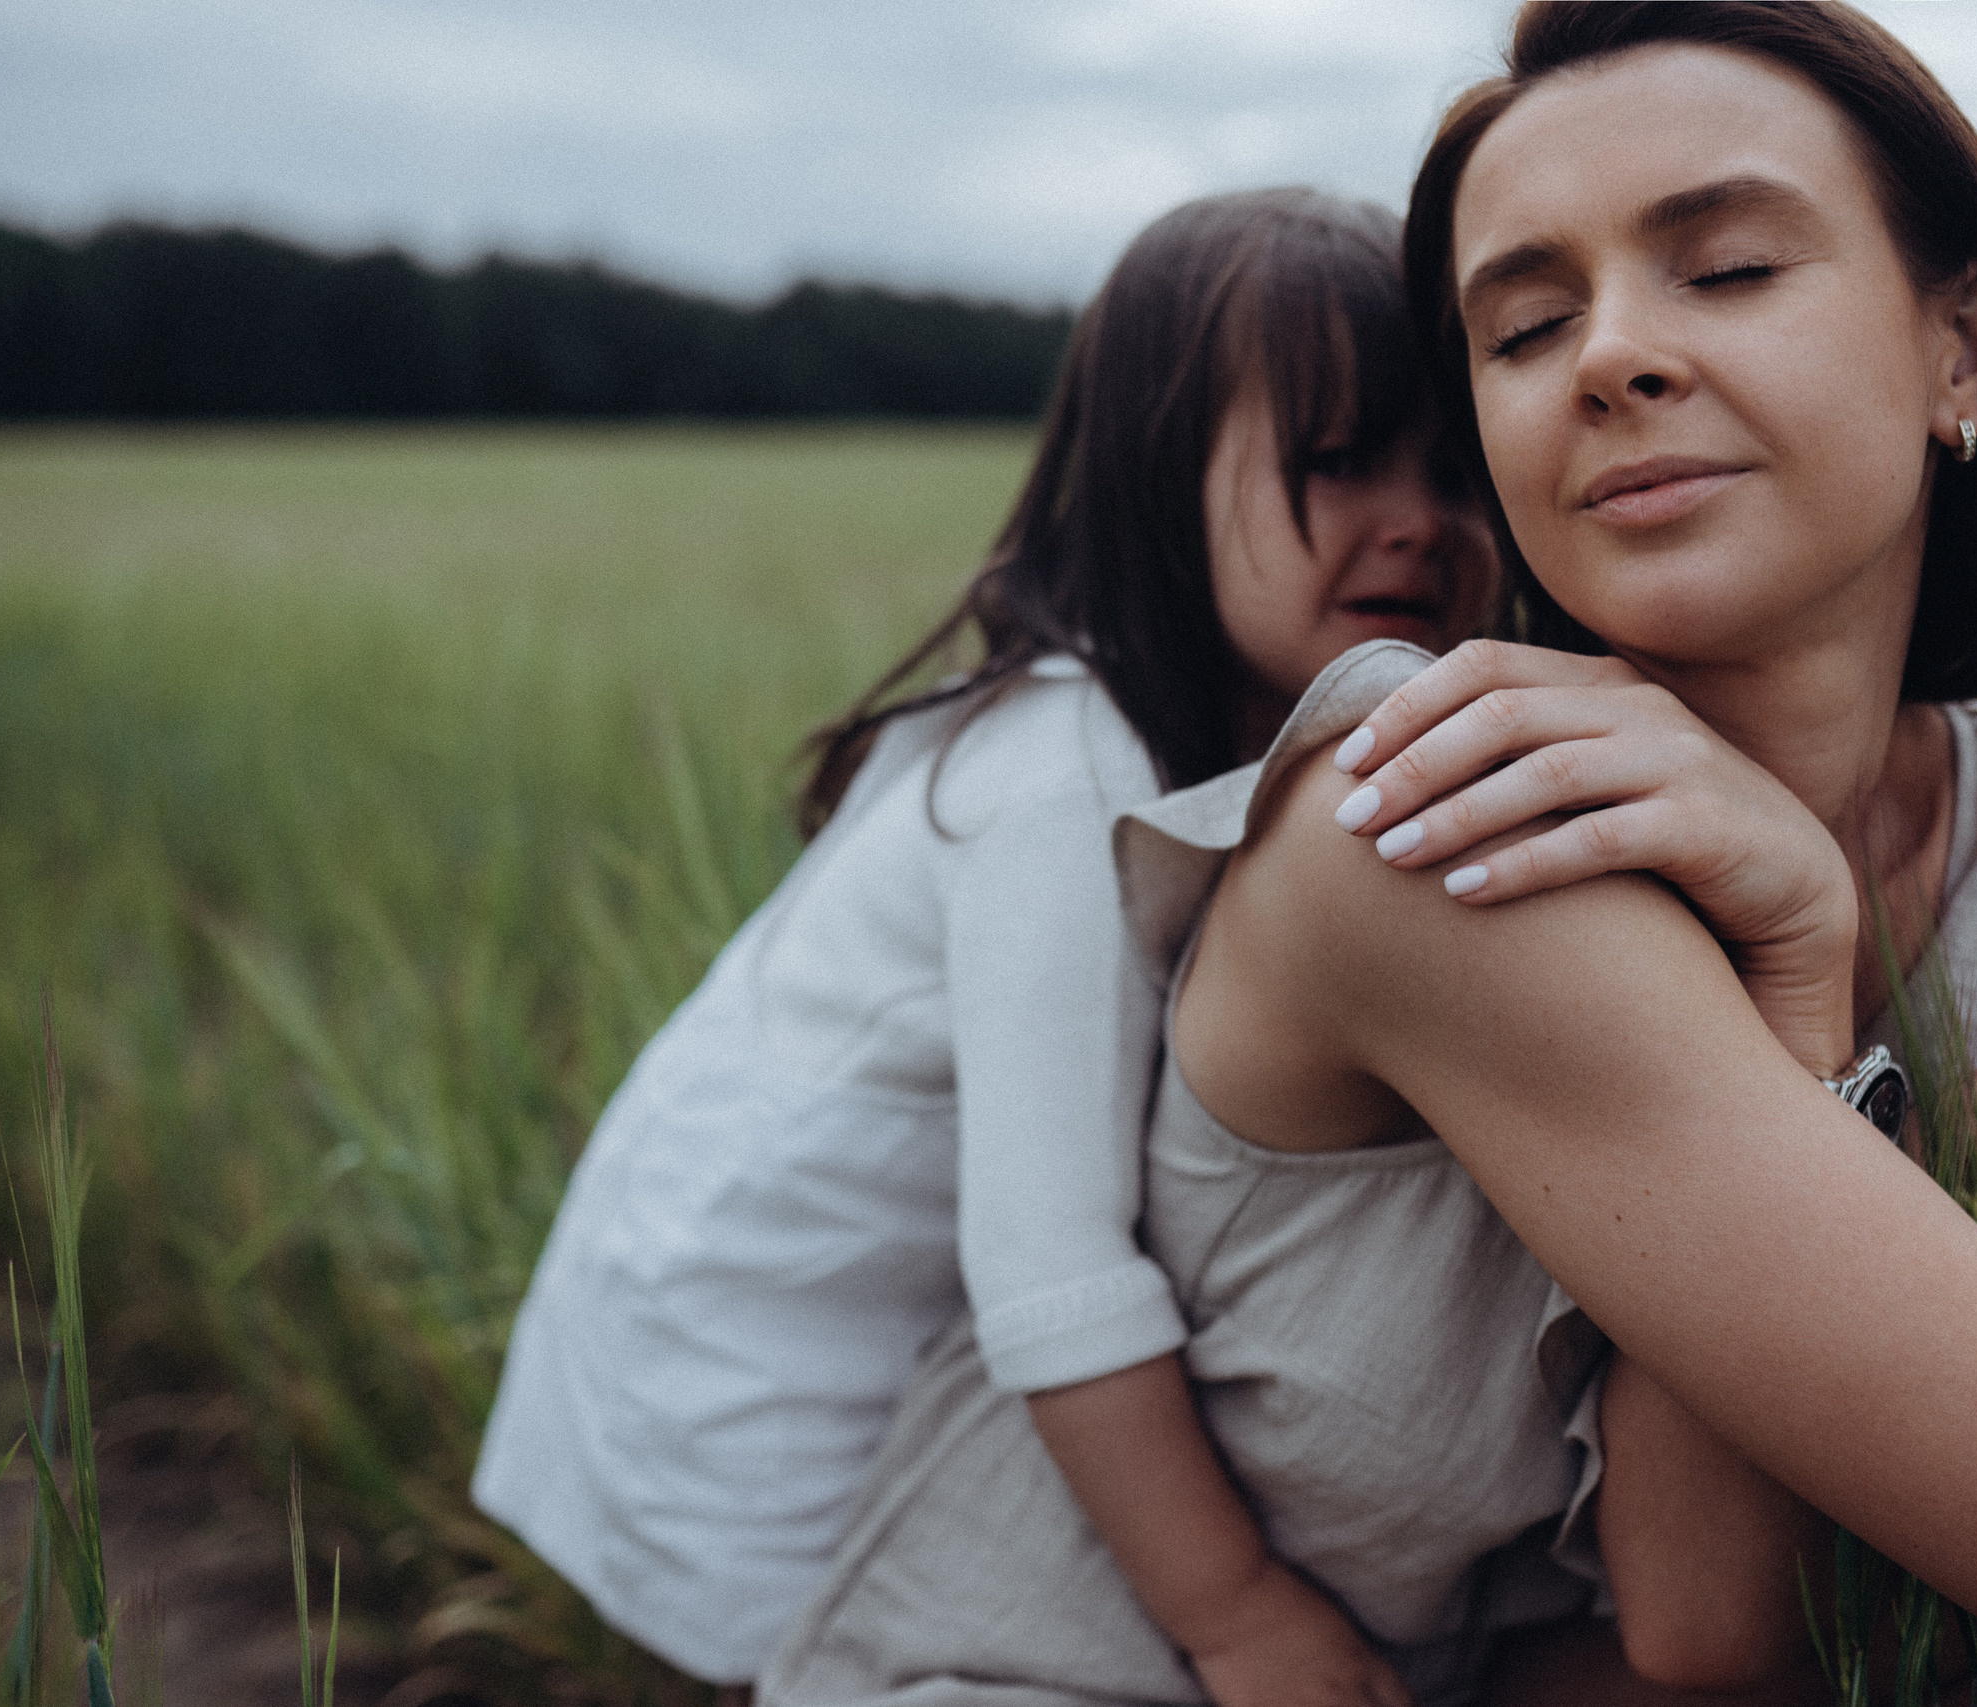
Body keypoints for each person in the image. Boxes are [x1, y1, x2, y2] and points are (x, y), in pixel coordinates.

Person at [764, 5, 1977, 1704]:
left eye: (1728, 269)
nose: (1607, 358)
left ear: (1966, 356)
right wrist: (1815, 970)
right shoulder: (1442, 816)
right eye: (1528, 324)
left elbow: (1727, 1618)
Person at [472, 187, 1496, 1691]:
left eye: (1451, 465)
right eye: (1338, 461)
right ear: (1153, 475)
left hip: (818, 1346)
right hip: (744, 1397)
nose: (1415, 518)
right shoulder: (1058, 770)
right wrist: (1238, 1614)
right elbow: (1051, 1262)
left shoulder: (1201, 729)